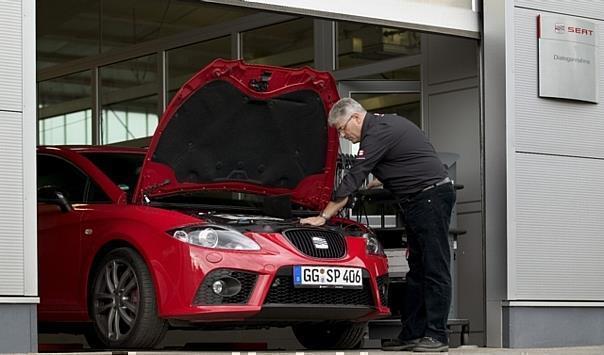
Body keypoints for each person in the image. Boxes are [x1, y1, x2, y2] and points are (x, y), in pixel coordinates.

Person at [300, 98, 456, 353]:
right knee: (417, 271)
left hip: (430, 198)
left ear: (356, 118)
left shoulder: (376, 133)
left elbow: (353, 177)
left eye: (342, 128)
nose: (343, 135)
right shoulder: (387, 124)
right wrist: (386, 179)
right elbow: (411, 154)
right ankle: (412, 334)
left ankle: (437, 336)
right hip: (421, 199)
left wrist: (324, 216)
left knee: (434, 268)